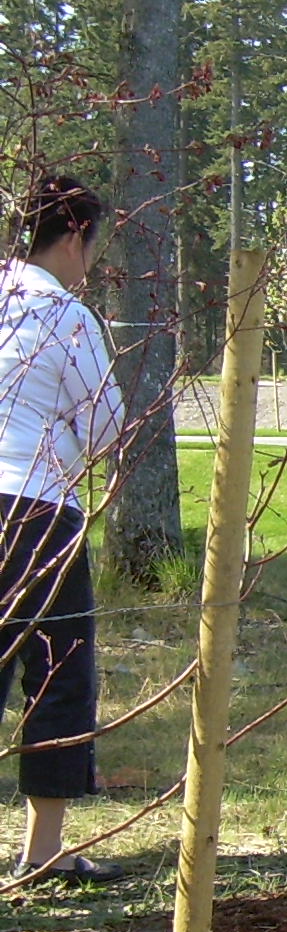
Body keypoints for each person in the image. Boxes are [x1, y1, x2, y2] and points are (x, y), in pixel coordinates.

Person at [2, 175, 125, 884]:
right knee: (55, 676)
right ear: (75, 235)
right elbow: (106, 426)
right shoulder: (64, 316)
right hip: (33, 509)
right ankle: (43, 848)